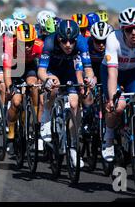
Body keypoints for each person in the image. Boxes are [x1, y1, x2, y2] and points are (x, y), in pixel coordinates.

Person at [101, 7, 135, 162]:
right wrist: (112, 98)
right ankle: (109, 137)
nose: (133, 33)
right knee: (118, 105)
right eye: (129, 29)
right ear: (122, 30)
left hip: (133, 72)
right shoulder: (113, 39)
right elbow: (112, 74)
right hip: (113, 72)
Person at [38, 20, 95, 167]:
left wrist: (90, 78)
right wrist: (47, 80)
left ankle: (73, 147)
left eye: (71, 41)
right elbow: (41, 71)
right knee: (54, 86)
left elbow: (88, 68)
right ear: (58, 38)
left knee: (75, 104)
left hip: (70, 71)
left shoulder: (82, 43)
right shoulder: (50, 42)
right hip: (53, 71)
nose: (68, 45)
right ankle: (47, 113)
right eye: (64, 41)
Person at [3, 23, 43, 153]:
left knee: (34, 87)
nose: (26, 47)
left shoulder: (39, 45)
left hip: (29, 68)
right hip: (14, 70)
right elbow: (7, 70)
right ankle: (11, 132)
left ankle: (36, 120)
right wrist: (9, 86)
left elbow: (44, 67)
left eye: (29, 43)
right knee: (16, 102)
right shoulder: (10, 47)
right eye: (23, 43)